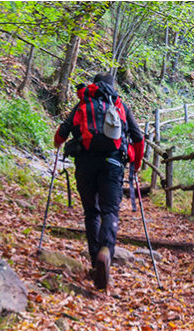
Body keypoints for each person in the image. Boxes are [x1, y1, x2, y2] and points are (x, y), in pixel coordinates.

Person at [54, 73, 144, 291]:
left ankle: (96, 262)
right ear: (113, 87)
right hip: (113, 164)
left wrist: (58, 145)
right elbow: (138, 137)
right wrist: (137, 164)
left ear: (94, 85)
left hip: (85, 163)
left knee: (91, 212)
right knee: (110, 211)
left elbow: (61, 134)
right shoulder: (120, 105)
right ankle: (106, 251)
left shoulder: (83, 103)